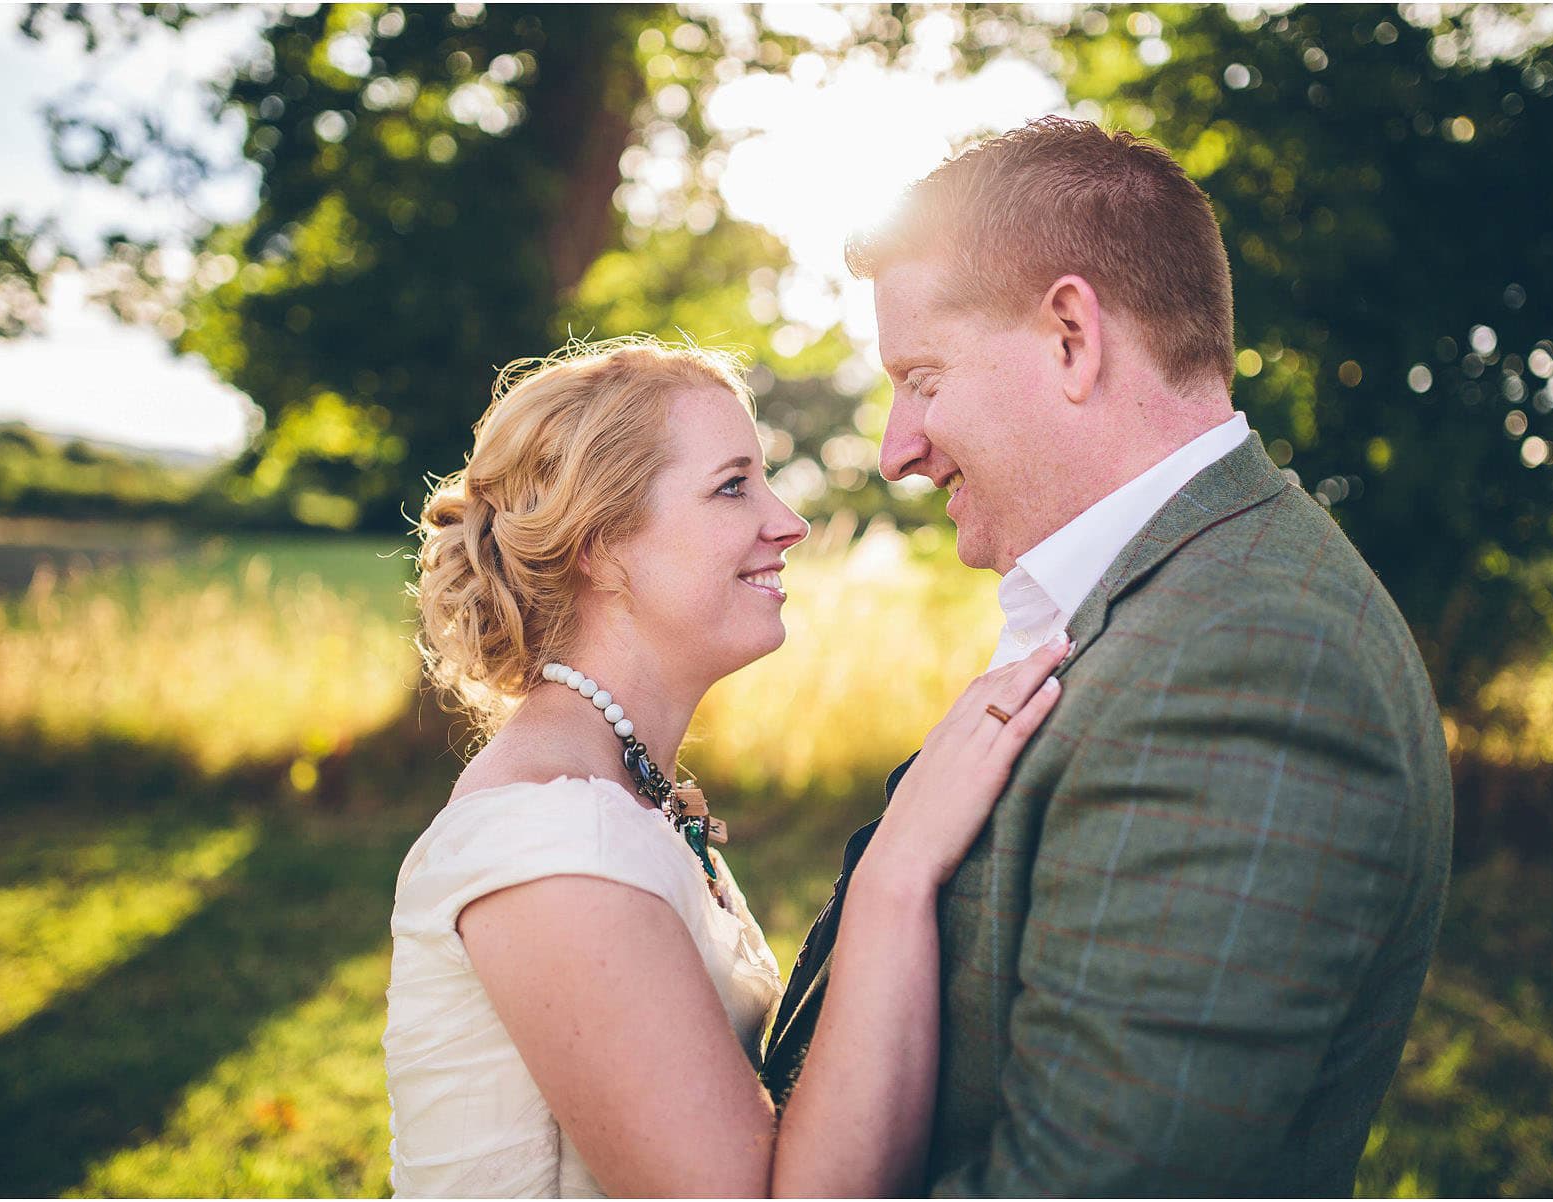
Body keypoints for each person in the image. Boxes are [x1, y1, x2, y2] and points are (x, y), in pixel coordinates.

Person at [761, 117, 1455, 1196]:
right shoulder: (1169, 594)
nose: (897, 447)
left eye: (923, 377)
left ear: (1071, 336)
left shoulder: (1252, 662)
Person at [382, 337, 1067, 1197]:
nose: (790, 522)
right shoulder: (550, 838)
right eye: (732, 486)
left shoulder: (626, 791)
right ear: (598, 543)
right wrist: (900, 868)